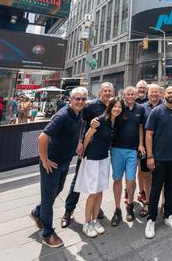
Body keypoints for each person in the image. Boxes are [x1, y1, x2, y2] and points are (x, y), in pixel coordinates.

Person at [29, 87, 88, 248]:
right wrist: (45, 160)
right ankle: (47, 234)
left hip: (65, 161)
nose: (80, 102)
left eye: (83, 99)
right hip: (52, 164)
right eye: (77, 98)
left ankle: (37, 212)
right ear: (71, 99)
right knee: (48, 199)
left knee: (57, 190)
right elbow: (42, 137)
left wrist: (78, 143)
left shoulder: (79, 112)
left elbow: (77, 129)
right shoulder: (62, 116)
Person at [61, 82, 114, 228]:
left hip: (103, 151)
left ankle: (95, 209)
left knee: (98, 183)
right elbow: (79, 121)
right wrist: (79, 141)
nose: (108, 93)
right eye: (105, 91)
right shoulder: (91, 106)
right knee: (78, 179)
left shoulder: (112, 106)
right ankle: (68, 211)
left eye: (110, 91)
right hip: (88, 150)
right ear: (100, 93)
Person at [144, 86, 172, 239]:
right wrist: (150, 156)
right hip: (159, 158)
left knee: (170, 187)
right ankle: (151, 218)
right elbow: (148, 134)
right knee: (156, 188)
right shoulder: (156, 111)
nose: (171, 95)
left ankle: (168, 215)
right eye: (168, 92)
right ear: (164, 95)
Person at [76, 98, 123, 238]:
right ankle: (87, 223)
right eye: (115, 107)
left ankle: (95, 220)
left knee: (100, 190)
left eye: (120, 107)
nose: (117, 109)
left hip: (104, 158)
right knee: (93, 191)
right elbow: (88, 136)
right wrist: (82, 152)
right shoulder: (100, 120)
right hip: (92, 158)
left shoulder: (115, 122)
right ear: (110, 107)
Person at [109, 86, 144, 226]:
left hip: (132, 150)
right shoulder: (119, 107)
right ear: (124, 95)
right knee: (117, 179)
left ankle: (130, 205)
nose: (130, 96)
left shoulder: (140, 109)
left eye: (132, 94)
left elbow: (141, 127)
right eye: (128, 94)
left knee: (130, 180)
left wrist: (141, 144)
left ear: (136, 95)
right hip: (117, 149)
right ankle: (117, 209)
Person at [137, 84, 163, 217]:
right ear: (148, 94)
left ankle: (163, 203)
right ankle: (147, 202)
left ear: (160, 94)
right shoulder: (142, 108)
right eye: (152, 92)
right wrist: (141, 144)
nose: (154, 94)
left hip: (162, 147)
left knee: (162, 176)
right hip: (146, 148)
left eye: (156, 92)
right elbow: (141, 127)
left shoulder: (166, 106)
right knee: (146, 175)